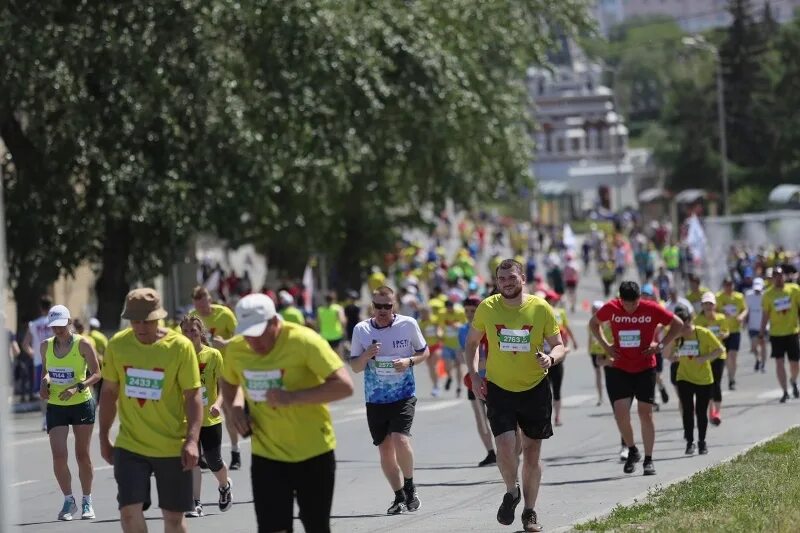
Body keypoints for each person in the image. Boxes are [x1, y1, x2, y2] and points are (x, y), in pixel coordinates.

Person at [221, 293, 354, 533]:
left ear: (275, 322)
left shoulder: (304, 341)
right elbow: (229, 382)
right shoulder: (237, 350)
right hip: (267, 455)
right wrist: (235, 410)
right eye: (248, 335)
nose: (254, 342)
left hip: (313, 452)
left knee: (316, 526)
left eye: (259, 333)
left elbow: (344, 385)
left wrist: (293, 397)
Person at [465, 259, 565, 533]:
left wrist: (550, 358)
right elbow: (472, 344)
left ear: (522, 278)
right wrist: (474, 376)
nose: (507, 283)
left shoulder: (540, 307)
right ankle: (512, 491)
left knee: (532, 453)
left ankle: (529, 513)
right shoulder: (488, 307)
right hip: (499, 388)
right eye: (502, 279)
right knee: (506, 446)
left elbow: (559, 345)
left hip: (535, 388)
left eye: (511, 277)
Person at [99, 288, 203, 533]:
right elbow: (109, 393)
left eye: (146, 321)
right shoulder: (118, 345)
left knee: (174, 520)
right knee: (128, 514)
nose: (141, 327)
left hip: (171, 446)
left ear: (159, 318)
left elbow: (193, 395)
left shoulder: (180, 347)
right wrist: (104, 437)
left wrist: (192, 440)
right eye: (135, 321)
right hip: (130, 445)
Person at [589, 281, 683, 476]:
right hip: (620, 366)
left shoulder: (651, 308)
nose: (631, 308)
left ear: (640, 298)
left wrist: (661, 345)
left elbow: (678, 324)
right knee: (621, 412)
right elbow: (593, 324)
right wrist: (607, 346)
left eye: (634, 303)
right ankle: (632, 449)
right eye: (627, 304)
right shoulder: (612, 307)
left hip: (644, 367)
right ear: (620, 299)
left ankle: (649, 460)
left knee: (645, 413)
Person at [350, 287, 429, 515]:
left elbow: (425, 352)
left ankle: (410, 485)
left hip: (403, 394)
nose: (383, 310)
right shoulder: (361, 330)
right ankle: (399, 496)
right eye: (378, 306)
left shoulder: (408, 324)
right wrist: (366, 355)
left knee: (400, 439)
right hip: (375, 399)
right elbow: (355, 367)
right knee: (385, 450)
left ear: (394, 306)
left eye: (388, 306)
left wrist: (409, 362)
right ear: (371, 306)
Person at [40, 305, 101, 521]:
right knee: (58, 456)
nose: (57, 329)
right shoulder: (45, 346)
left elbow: (97, 374)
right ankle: (68, 500)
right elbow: (47, 371)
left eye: (60, 325)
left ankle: (87, 500)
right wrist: (44, 383)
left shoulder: (83, 343)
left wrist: (78, 387)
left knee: (82, 455)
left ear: (69, 322)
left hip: (81, 403)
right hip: (56, 405)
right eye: (53, 326)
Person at [179, 315, 232, 518]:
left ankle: (224, 485)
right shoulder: (178, 355)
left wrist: (218, 405)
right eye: (185, 331)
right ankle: (195, 503)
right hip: (187, 418)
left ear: (201, 332)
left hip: (210, 417)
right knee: (191, 460)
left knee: (213, 460)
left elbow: (223, 387)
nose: (190, 334)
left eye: (193, 330)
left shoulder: (213, 355)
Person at [189, 285, 243, 470]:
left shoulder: (225, 314)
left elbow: (241, 336)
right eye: (199, 306)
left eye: (204, 306)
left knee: (226, 411)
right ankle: (203, 453)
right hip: (202, 369)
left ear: (210, 300)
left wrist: (226, 342)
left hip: (225, 369)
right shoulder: (192, 316)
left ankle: (235, 452)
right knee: (201, 410)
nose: (202, 310)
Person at [664, 305, 724, 456]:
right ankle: (690, 442)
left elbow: (720, 349)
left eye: (684, 325)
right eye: (678, 326)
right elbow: (666, 355)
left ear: (690, 321)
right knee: (687, 411)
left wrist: (705, 358)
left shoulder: (703, 333)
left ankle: (702, 442)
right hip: (684, 377)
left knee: (701, 412)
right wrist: (673, 339)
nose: (682, 329)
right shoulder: (674, 335)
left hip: (704, 378)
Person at [458, 297, 496, 467]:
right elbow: (463, 353)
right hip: (472, 379)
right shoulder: (463, 330)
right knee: (480, 418)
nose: (469, 314)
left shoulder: (487, 327)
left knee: (495, 417)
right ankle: (490, 452)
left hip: (492, 378)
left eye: (472, 311)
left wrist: (481, 362)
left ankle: (506, 449)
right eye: (466, 311)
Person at [760, 267, 800, 403]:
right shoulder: (767, 295)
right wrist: (761, 332)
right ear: (772, 278)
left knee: (795, 363)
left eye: (780, 275)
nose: (778, 278)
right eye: (775, 275)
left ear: (784, 276)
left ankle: (793, 381)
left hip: (792, 332)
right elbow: (765, 314)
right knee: (779, 362)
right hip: (776, 333)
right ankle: (784, 391)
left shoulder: (794, 289)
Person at [22, 295, 53, 430]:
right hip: (56, 360)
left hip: (39, 362)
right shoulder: (55, 322)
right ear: (50, 306)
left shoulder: (34, 324)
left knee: (43, 393)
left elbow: (25, 344)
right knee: (57, 389)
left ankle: (45, 419)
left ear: (40, 307)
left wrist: (33, 353)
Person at [716, 278, 747, 390]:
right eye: (726, 285)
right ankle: (723, 377)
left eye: (730, 285)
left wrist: (741, 317)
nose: (729, 287)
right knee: (724, 357)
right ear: (723, 286)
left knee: (733, 356)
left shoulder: (739, 297)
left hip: (735, 330)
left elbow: (744, 309)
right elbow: (714, 311)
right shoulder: (719, 297)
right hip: (723, 332)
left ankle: (731, 379)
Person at [439, 299, 466, 396]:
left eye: (450, 307)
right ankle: (449, 377)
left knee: (459, 366)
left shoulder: (460, 313)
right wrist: (440, 333)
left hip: (458, 344)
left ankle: (459, 387)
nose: (449, 309)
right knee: (447, 365)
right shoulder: (442, 313)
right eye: (447, 308)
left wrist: (458, 326)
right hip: (447, 343)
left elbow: (465, 325)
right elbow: (440, 326)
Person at [588, 300, 613, 407]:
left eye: (596, 309)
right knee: (598, 373)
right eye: (593, 308)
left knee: (608, 374)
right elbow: (590, 337)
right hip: (595, 350)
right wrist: (589, 349)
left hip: (606, 350)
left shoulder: (608, 322)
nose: (594, 310)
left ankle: (612, 395)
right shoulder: (591, 322)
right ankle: (600, 397)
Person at [417, 306, 443, 397]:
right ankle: (436, 385)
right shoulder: (420, 323)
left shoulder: (434, 320)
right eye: (422, 313)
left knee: (433, 365)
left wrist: (439, 334)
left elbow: (439, 329)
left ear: (429, 313)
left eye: (426, 313)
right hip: (426, 348)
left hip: (436, 346)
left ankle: (437, 384)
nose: (424, 315)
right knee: (431, 367)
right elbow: (420, 336)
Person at [745, 277, 767, 372]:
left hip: (763, 325)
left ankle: (763, 364)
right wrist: (745, 321)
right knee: (754, 346)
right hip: (752, 325)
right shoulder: (748, 295)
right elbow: (747, 309)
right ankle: (757, 359)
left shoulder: (766, 295)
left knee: (763, 345)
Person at [317, 291, 347, 357]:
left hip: (324, 335)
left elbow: (318, 323)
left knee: (327, 355)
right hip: (336, 335)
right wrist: (344, 330)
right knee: (337, 355)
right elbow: (343, 321)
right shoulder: (338, 308)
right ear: (334, 299)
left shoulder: (320, 310)